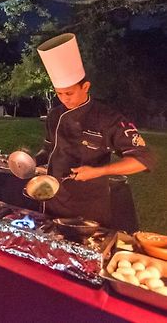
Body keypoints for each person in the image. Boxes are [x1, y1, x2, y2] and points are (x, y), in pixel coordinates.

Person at [33, 33, 154, 228]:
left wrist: (99, 171)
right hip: (52, 201)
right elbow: (48, 149)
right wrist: (32, 161)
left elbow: (144, 159)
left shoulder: (107, 118)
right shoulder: (55, 115)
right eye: (59, 93)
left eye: (69, 93)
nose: (64, 99)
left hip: (88, 207)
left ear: (86, 86)